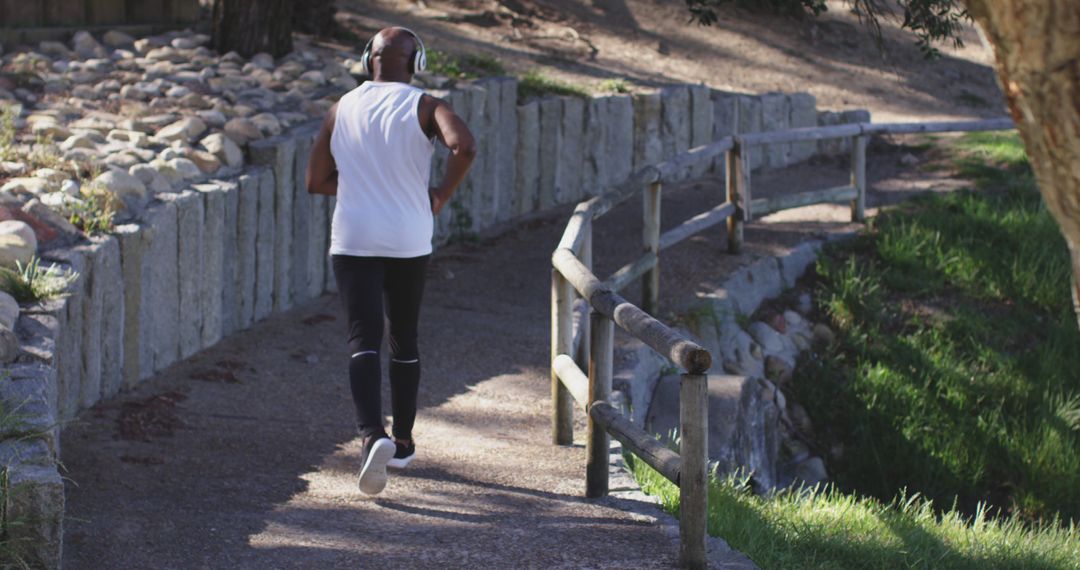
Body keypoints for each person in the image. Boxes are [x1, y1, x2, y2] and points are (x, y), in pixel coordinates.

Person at [306, 26, 477, 495]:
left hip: (354, 237)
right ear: (414, 62)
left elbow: (316, 182)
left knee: (362, 338)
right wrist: (440, 192)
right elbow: (464, 146)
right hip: (407, 237)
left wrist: (363, 186)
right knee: (404, 336)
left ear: (369, 59)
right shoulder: (426, 106)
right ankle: (401, 440)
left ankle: (370, 436)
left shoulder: (340, 108)